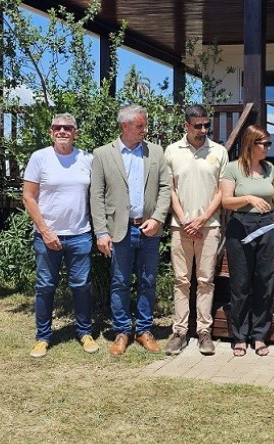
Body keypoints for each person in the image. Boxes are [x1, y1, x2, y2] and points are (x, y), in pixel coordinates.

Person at [220, 125, 274, 357]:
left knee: (264, 281)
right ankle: (239, 336)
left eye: (269, 144)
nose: (268, 148)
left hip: (267, 225)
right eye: (265, 144)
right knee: (240, 283)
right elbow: (226, 202)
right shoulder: (233, 169)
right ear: (251, 143)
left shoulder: (270, 168)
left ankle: (259, 335)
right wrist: (248, 198)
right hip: (241, 226)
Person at [90, 104, 171, 356]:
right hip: (118, 230)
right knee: (120, 282)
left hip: (148, 229)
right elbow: (96, 195)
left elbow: (166, 188)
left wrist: (158, 218)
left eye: (144, 125)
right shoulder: (103, 154)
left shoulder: (156, 152)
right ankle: (122, 331)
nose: (144, 130)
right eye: (139, 125)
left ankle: (144, 330)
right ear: (124, 126)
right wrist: (101, 232)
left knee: (148, 281)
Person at [23, 113, 97, 358]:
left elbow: (99, 194)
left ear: (75, 132)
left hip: (80, 235)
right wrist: (45, 231)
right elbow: (29, 197)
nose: (62, 131)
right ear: (51, 131)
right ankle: (43, 337)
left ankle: (84, 332)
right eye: (57, 127)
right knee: (45, 287)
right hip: (47, 237)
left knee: (81, 286)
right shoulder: (40, 158)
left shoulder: (87, 158)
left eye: (68, 127)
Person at [163, 104, 228, 356]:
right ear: (186, 126)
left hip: (209, 227)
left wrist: (201, 219)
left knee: (205, 281)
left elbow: (222, 191)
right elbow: (170, 190)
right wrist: (183, 219)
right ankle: (179, 332)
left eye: (206, 125)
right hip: (180, 228)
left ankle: (203, 332)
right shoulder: (172, 151)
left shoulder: (219, 152)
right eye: (197, 125)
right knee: (181, 281)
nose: (203, 130)